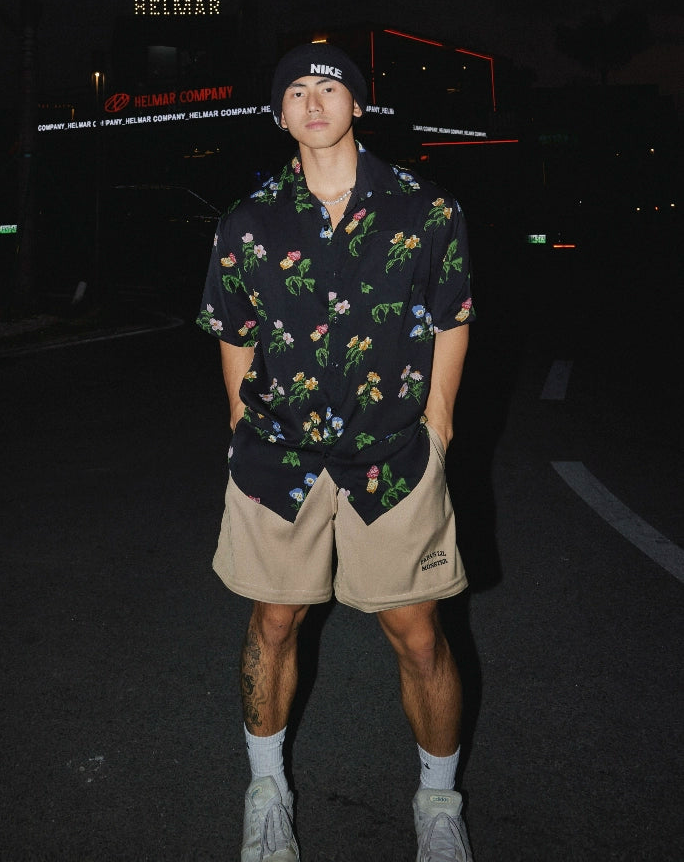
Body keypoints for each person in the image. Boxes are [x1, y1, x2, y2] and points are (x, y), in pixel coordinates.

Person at [197, 42, 475, 862]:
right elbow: (234, 332)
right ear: (279, 114)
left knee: (417, 634)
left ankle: (438, 805)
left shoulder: (426, 209)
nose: (313, 101)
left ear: (357, 103)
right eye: (296, 91)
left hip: (391, 455)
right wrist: (240, 425)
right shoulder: (247, 220)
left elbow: (453, 316)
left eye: (329, 87)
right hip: (276, 457)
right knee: (273, 622)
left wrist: (439, 423)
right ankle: (267, 794)